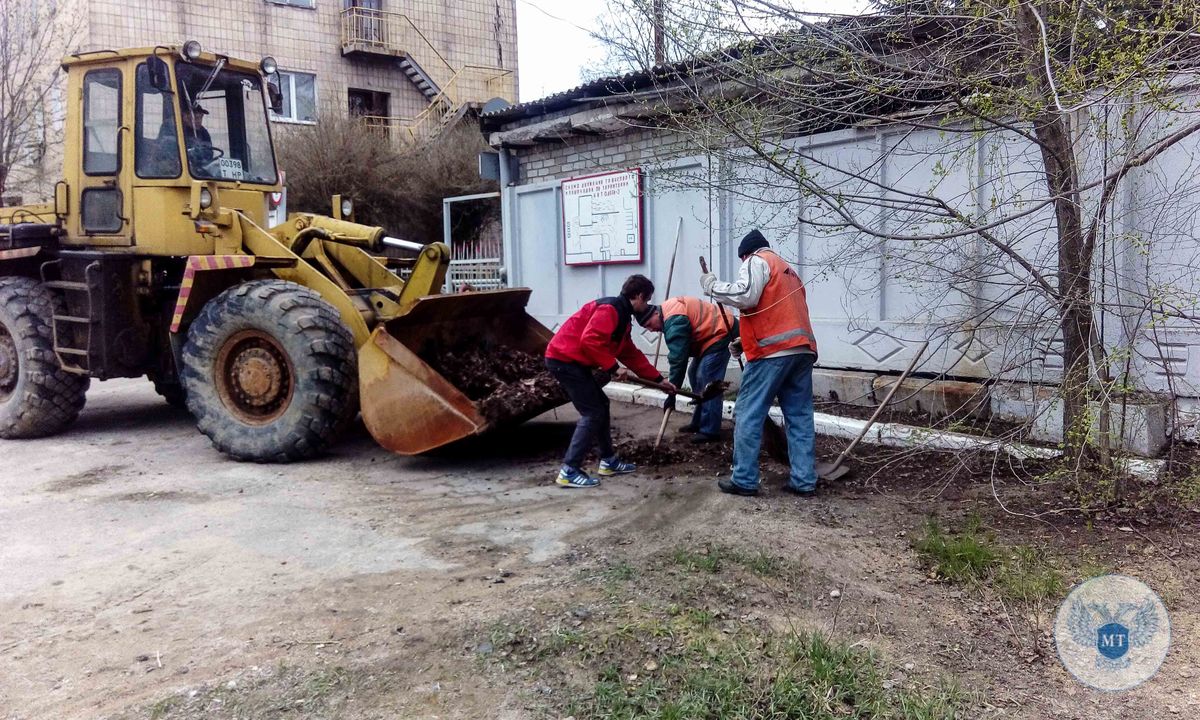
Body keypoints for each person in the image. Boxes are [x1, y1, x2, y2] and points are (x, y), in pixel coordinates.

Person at [700, 229, 818, 497]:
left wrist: (711, 285)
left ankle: (744, 479)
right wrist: (744, 341)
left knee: (747, 413)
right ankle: (804, 480)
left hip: (772, 354)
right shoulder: (790, 273)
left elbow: (746, 295)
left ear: (745, 254)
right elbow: (776, 313)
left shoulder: (757, 260)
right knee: (799, 417)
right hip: (802, 351)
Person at [545, 274, 678, 488]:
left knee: (601, 406)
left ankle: (608, 461)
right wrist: (613, 368)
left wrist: (658, 379)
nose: (647, 306)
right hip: (564, 359)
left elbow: (629, 352)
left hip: (573, 361)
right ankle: (569, 470)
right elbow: (589, 341)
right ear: (640, 296)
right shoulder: (611, 310)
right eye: (647, 300)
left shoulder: (622, 316)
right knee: (593, 412)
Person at [641, 297, 738, 444]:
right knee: (693, 374)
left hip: (722, 331)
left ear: (655, 314)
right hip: (709, 337)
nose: (651, 330)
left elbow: (679, 360)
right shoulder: (668, 312)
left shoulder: (674, 321)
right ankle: (698, 421)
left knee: (707, 378)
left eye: (649, 324)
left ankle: (710, 430)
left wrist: (672, 392)